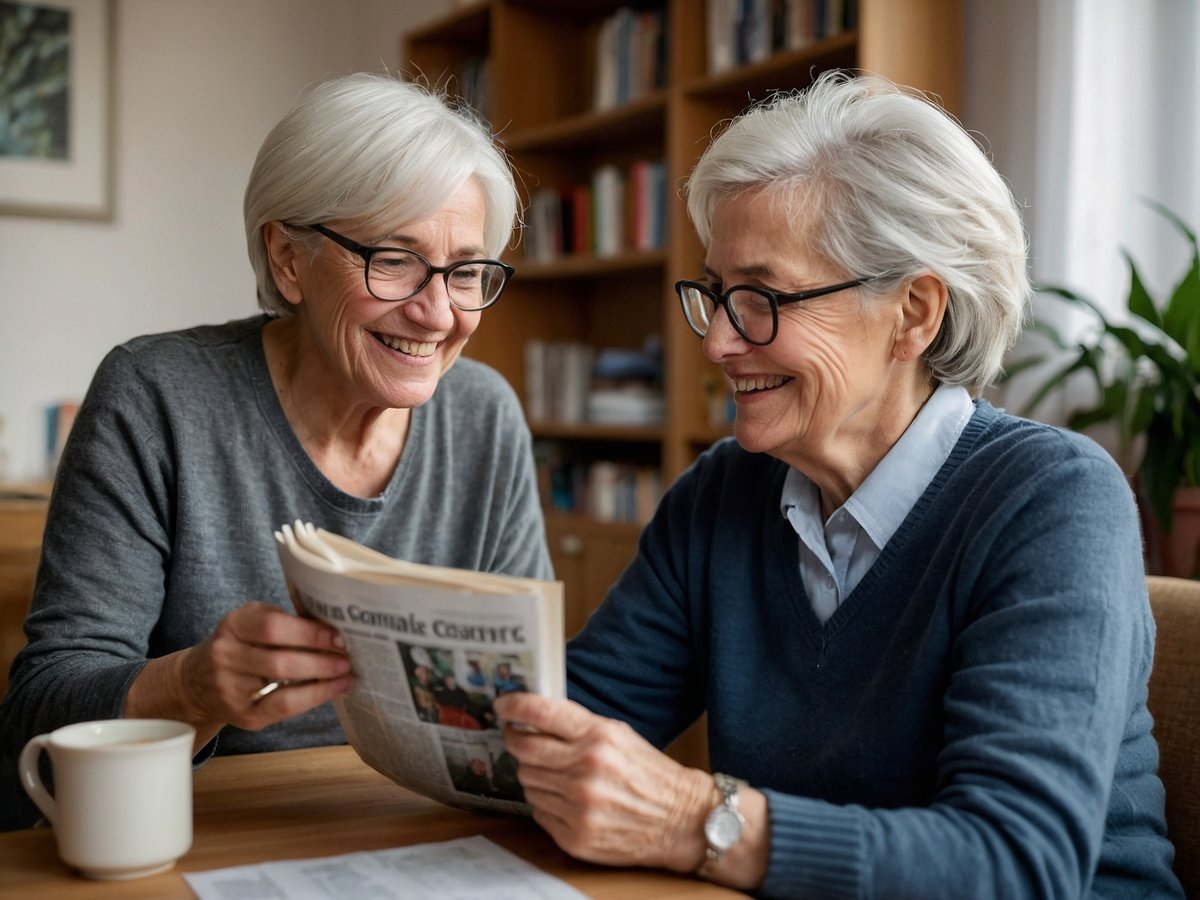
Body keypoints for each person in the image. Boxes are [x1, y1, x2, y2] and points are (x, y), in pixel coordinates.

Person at [493, 71, 1184, 898]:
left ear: (914, 312)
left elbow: (1016, 865)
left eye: (759, 297)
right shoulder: (723, 495)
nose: (716, 343)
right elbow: (563, 738)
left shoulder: (1052, 500)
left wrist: (696, 820)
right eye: (714, 296)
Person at [0, 72, 552, 830]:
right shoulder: (155, 395)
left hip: (424, 835)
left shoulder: (484, 415)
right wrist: (192, 687)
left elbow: (530, 706)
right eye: (393, 259)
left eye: (465, 270)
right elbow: (36, 719)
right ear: (289, 260)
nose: (437, 312)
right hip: (193, 834)